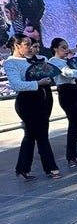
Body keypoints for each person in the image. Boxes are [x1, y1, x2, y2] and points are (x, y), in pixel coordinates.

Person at [3, 33, 61, 180]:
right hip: (27, 103)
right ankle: (51, 168)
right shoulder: (10, 63)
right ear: (16, 46)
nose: (30, 48)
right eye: (26, 45)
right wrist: (38, 83)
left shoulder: (31, 60)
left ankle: (23, 167)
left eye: (31, 44)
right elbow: (16, 85)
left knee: (30, 136)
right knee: (41, 135)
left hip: (41, 101)